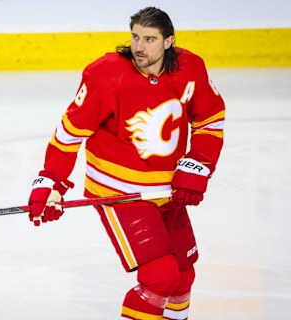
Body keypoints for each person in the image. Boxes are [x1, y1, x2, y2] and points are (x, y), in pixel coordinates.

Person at [27, 6, 225, 320]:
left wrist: (198, 163)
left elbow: (210, 121)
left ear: (169, 41)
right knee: (160, 277)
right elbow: (69, 134)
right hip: (120, 192)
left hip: (167, 192)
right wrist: (51, 182)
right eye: (135, 37)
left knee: (183, 276)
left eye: (149, 39)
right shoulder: (108, 75)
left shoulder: (191, 68)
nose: (139, 46)